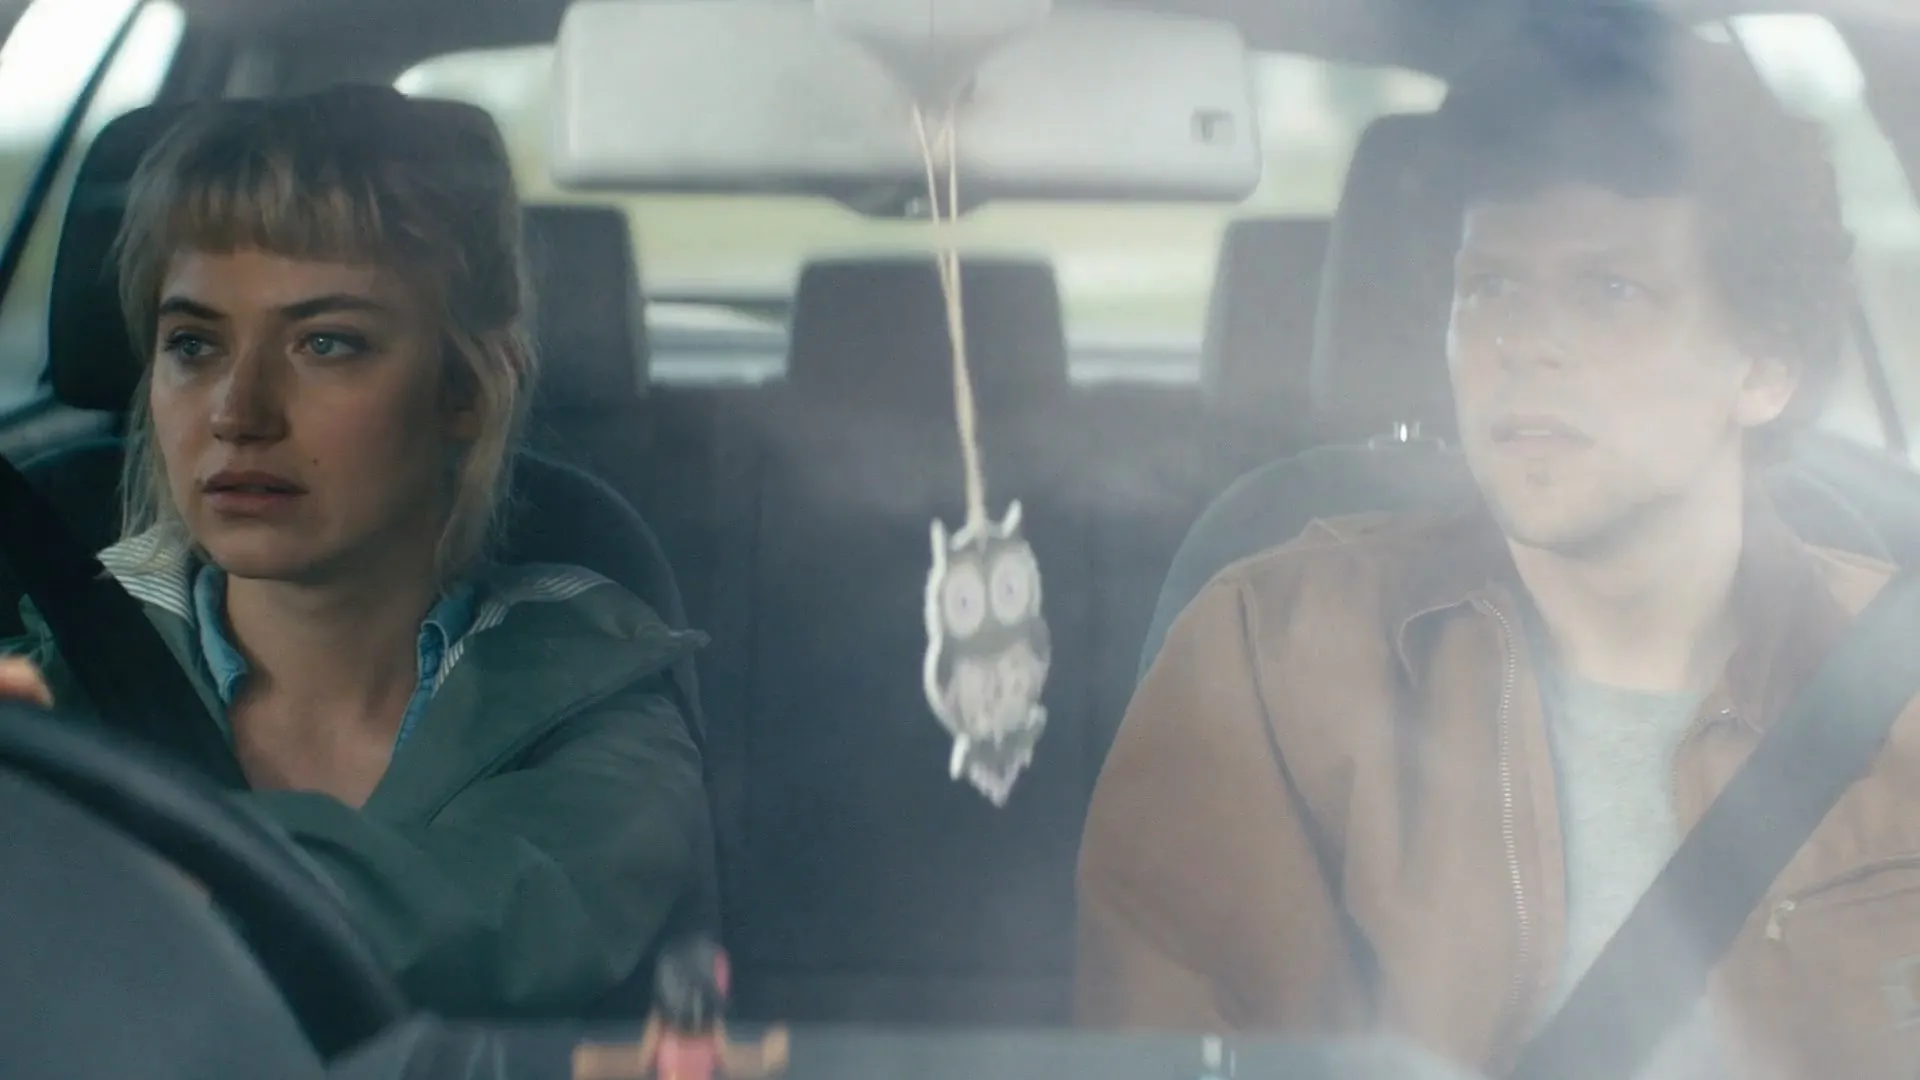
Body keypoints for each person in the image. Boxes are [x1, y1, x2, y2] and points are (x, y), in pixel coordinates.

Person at [1073, 9, 1905, 1080]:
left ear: (1765, 366)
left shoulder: (1896, 685)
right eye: (1492, 286)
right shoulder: (1269, 656)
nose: (1524, 342)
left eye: (1611, 291)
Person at [0, 85, 717, 1019]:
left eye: (326, 343)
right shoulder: (46, 675)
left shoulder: (590, 699)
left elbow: (511, 913)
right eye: (194, 345)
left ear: (462, 390)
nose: (238, 413)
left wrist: (102, 863)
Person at [571, 938, 790, 1080]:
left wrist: (766, 1057)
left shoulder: (710, 1026)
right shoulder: (665, 1021)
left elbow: (730, 1059)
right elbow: (641, 1060)